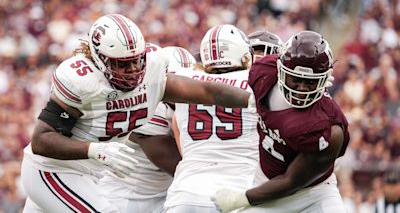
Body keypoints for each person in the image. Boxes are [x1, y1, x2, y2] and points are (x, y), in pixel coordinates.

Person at [20, 14, 253, 213]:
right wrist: (94, 150)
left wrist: (254, 101)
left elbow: (208, 92)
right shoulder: (82, 81)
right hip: (54, 170)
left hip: (91, 177)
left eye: (137, 60)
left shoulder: (151, 74)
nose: (132, 70)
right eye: (122, 64)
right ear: (100, 60)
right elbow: (42, 140)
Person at [212, 30, 350, 213]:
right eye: (296, 79)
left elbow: (290, 181)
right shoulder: (264, 74)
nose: (301, 88)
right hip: (266, 181)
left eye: (310, 82)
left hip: (314, 193)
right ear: (280, 70)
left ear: (325, 80)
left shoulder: (329, 129)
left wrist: (241, 198)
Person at [163, 24, 259, 213]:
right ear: (244, 54)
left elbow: (178, 130)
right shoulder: (259, 81)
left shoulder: (185, 79)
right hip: (239, 191)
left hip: (186, 192)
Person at [98, 45, 196, 213]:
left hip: (163, 196)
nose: (182, 88)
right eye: (176, 81)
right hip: (128, 199)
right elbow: (178, 167)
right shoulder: (148, 108)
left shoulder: (184, 106)